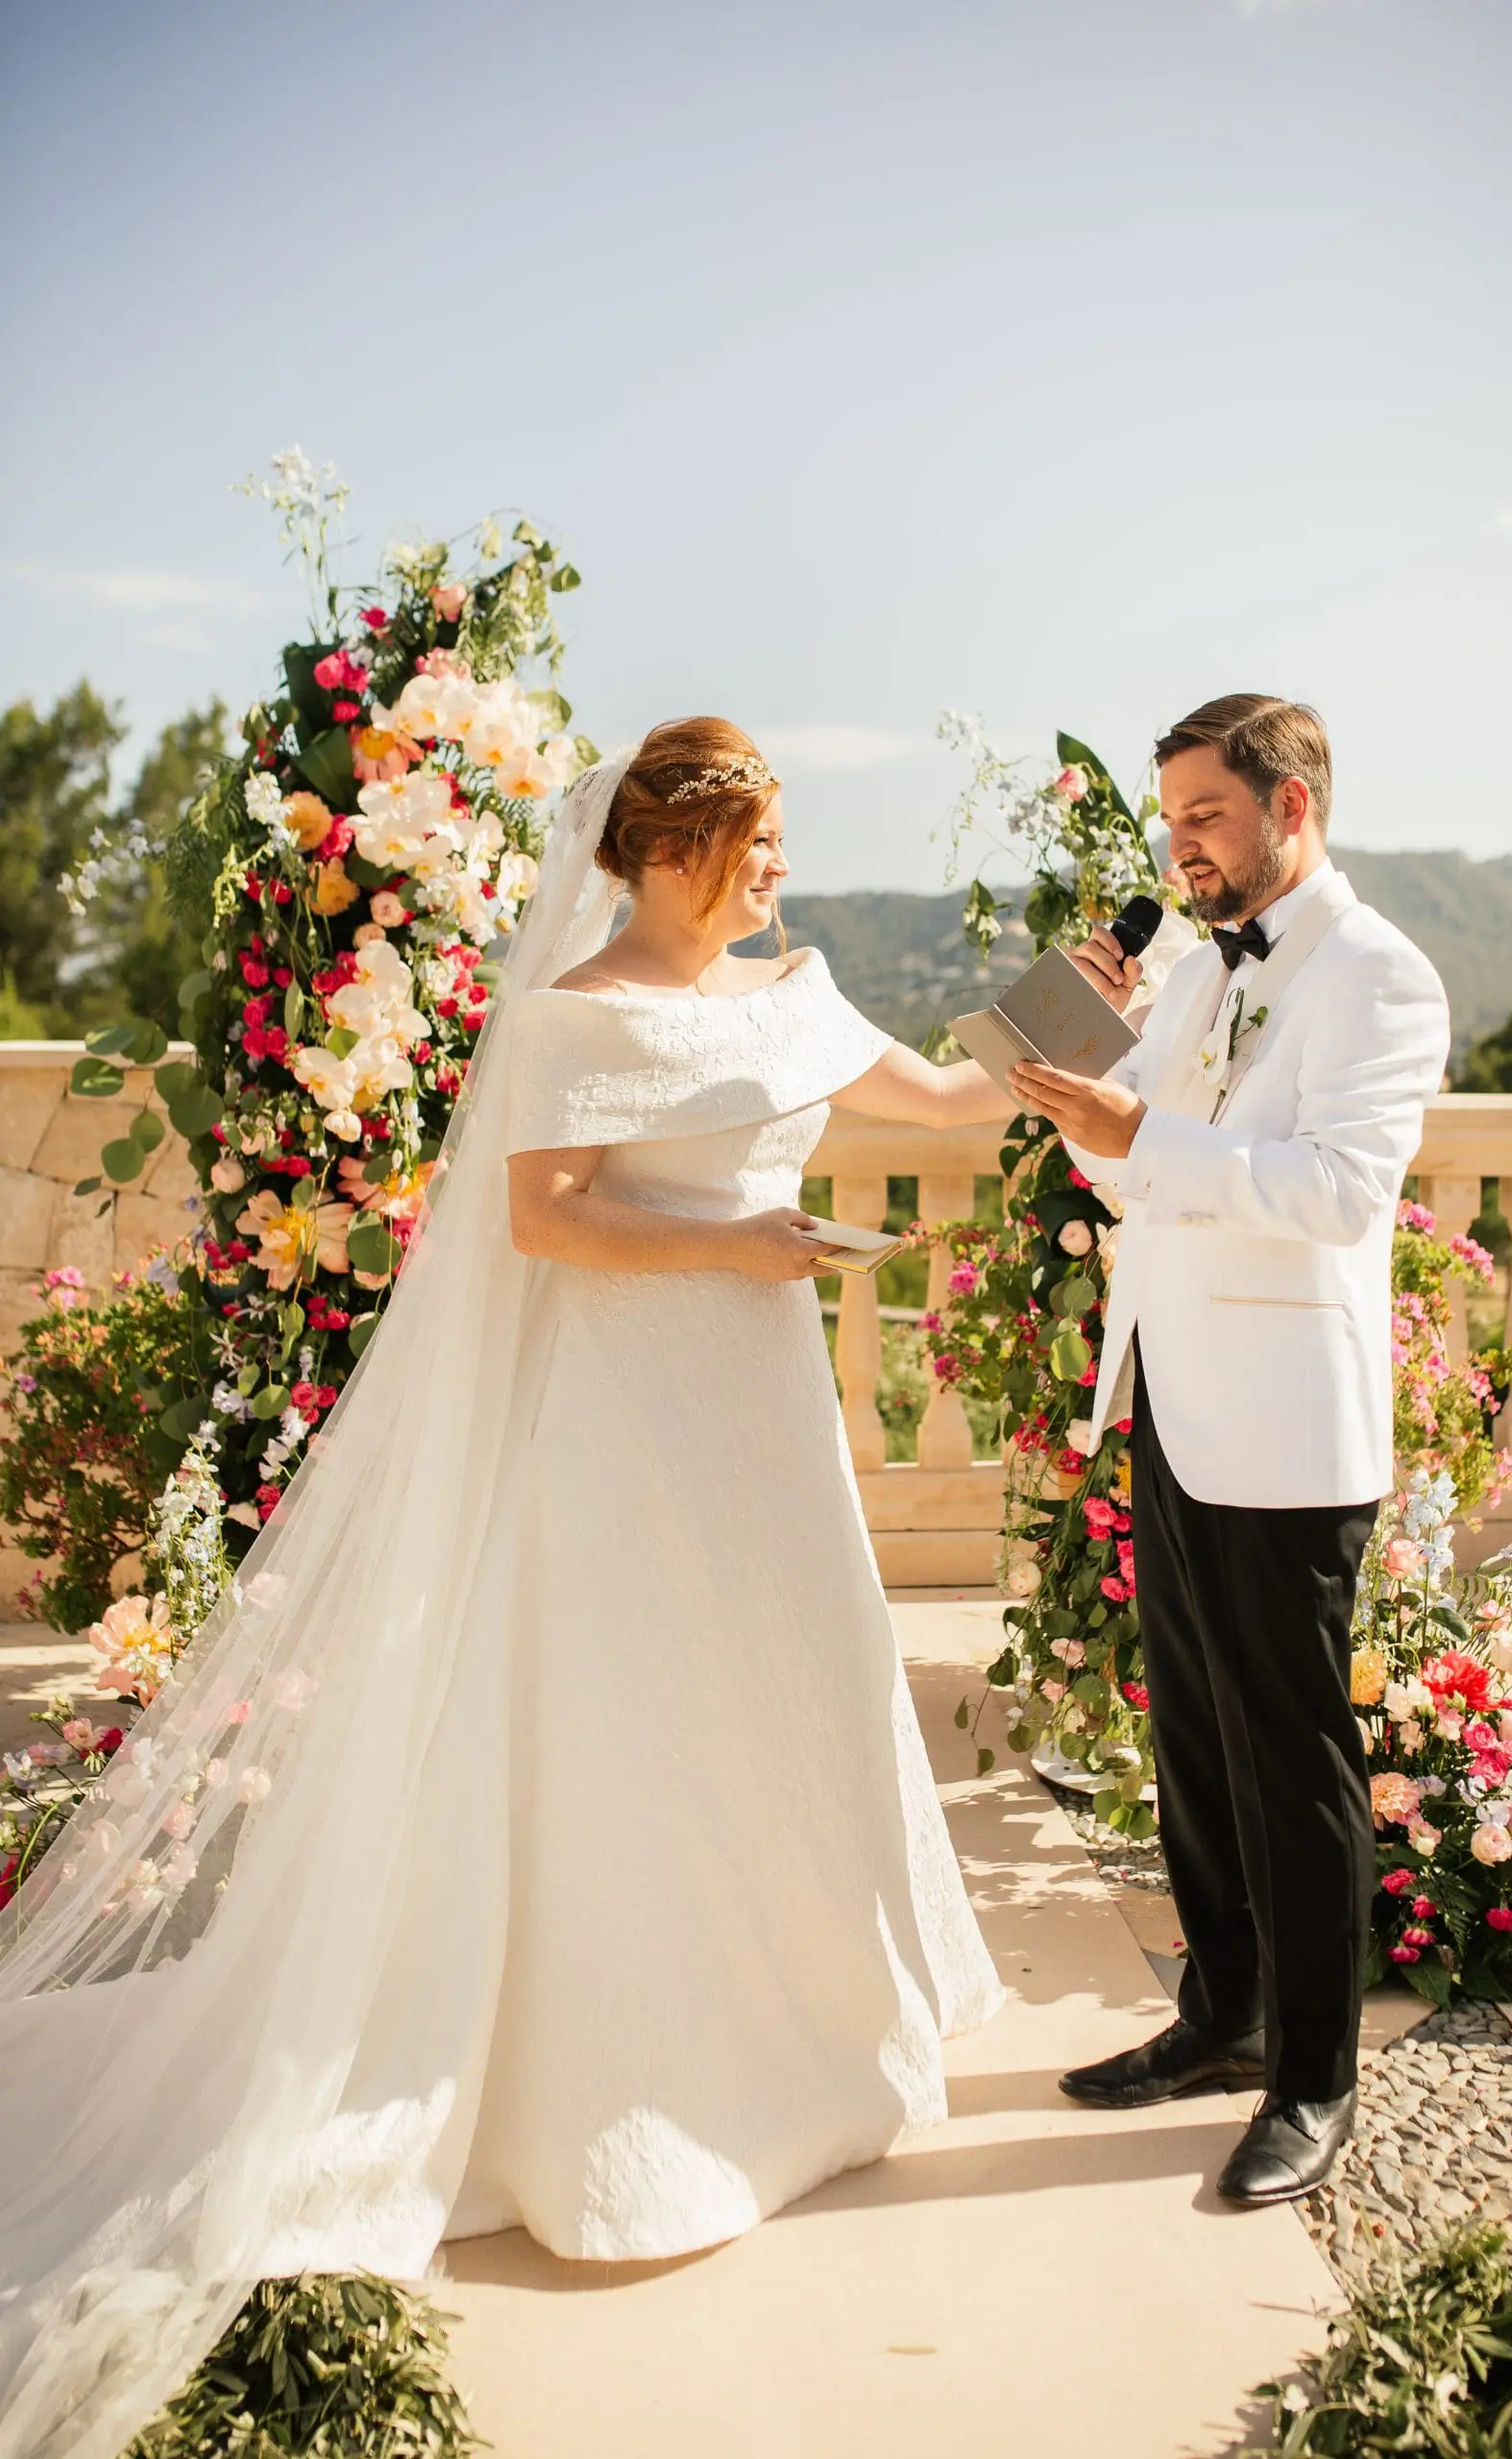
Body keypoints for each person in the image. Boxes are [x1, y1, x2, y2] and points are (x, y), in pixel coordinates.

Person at [0, 719, 1009, 2459]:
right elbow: (550, 1221)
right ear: (673, 846)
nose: (777, 868)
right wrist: (739, 1243)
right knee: (623, 1736)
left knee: (781, 1709)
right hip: (625, 1427)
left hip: (761, 1428)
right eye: (755, 841)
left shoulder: (785, 991)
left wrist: (1079, 1027)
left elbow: (940, 1098)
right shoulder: (567, 1018)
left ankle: (807, 2054)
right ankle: (614, 2097)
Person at [1008, 694, 1449, 2207]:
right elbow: (1130, 1161)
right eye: (1172, 819)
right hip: (1174, 1397)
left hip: (1285, 1428)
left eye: (1204, 816)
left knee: (1289, 1756)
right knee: (1191, 1737)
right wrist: (1078, 1065)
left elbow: (1333, 1193)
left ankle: (1315, 2081)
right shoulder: (1195, 971)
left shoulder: (1378, 976)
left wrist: (1140, 1143)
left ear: (1290, 809)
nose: (1179, 847)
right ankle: (1217, 2014)